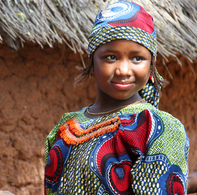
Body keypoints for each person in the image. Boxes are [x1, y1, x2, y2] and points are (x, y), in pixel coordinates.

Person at [44, 1, 189, 194]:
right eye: (110, 57)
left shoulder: (159, 128)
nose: (123, 70)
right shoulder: (65, 128)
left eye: (137, 58)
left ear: (151, 66)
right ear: (91, 61)